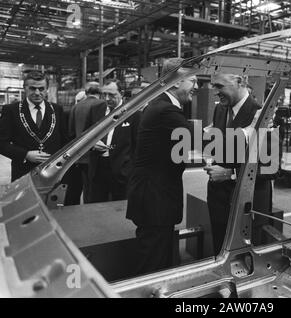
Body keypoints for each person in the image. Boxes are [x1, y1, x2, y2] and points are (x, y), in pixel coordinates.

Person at [126, 58, 198, 274]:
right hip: (155, 200)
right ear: (176, 82)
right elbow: (196, 142)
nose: (196, 86)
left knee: (157, 256)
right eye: (192, 80)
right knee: (153, 263)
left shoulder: (161, 106)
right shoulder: (166, 110)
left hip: (153, 198)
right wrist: (247, 132)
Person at [205, 73, 273, 255]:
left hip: (247, 204)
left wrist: (230, 173)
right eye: (214, 86)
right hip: (218, 200)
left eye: (219, 86)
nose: (215, 92)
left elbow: (270, 168)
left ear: (240, 81)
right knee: (220, 251)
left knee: (245, 259)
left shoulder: (262, 114)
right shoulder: (220, 110)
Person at [0, 71, 67, 181]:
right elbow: (1, 143)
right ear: (25, 88)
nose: (37, 92)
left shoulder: (57, 110)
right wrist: (25, 154)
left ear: (46, 89)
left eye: (41, 89)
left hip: (52, 173)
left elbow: (65, 140)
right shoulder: (11, 110)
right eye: (32, 88)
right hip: (23, 173)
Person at [86, 80, 140, 202]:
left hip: (122, 172)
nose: (107, 98)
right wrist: (92, 144)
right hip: (98, 170)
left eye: (111, 95)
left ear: (121, 93)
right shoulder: (95, 110)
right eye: (104, 94)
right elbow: (86, 135)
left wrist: (130, 170)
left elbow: (137, 146)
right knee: (97, 207)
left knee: (119, 210)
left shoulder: (133, 114)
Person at [64, 82, 104, 205]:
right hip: (93, 155)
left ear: (86, 93)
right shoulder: (100, 104)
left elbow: (70, 132)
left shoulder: (76, 106)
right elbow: (99, 130)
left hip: (78, 155)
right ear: (100, 93)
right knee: (92, 190)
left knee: (81, 187)